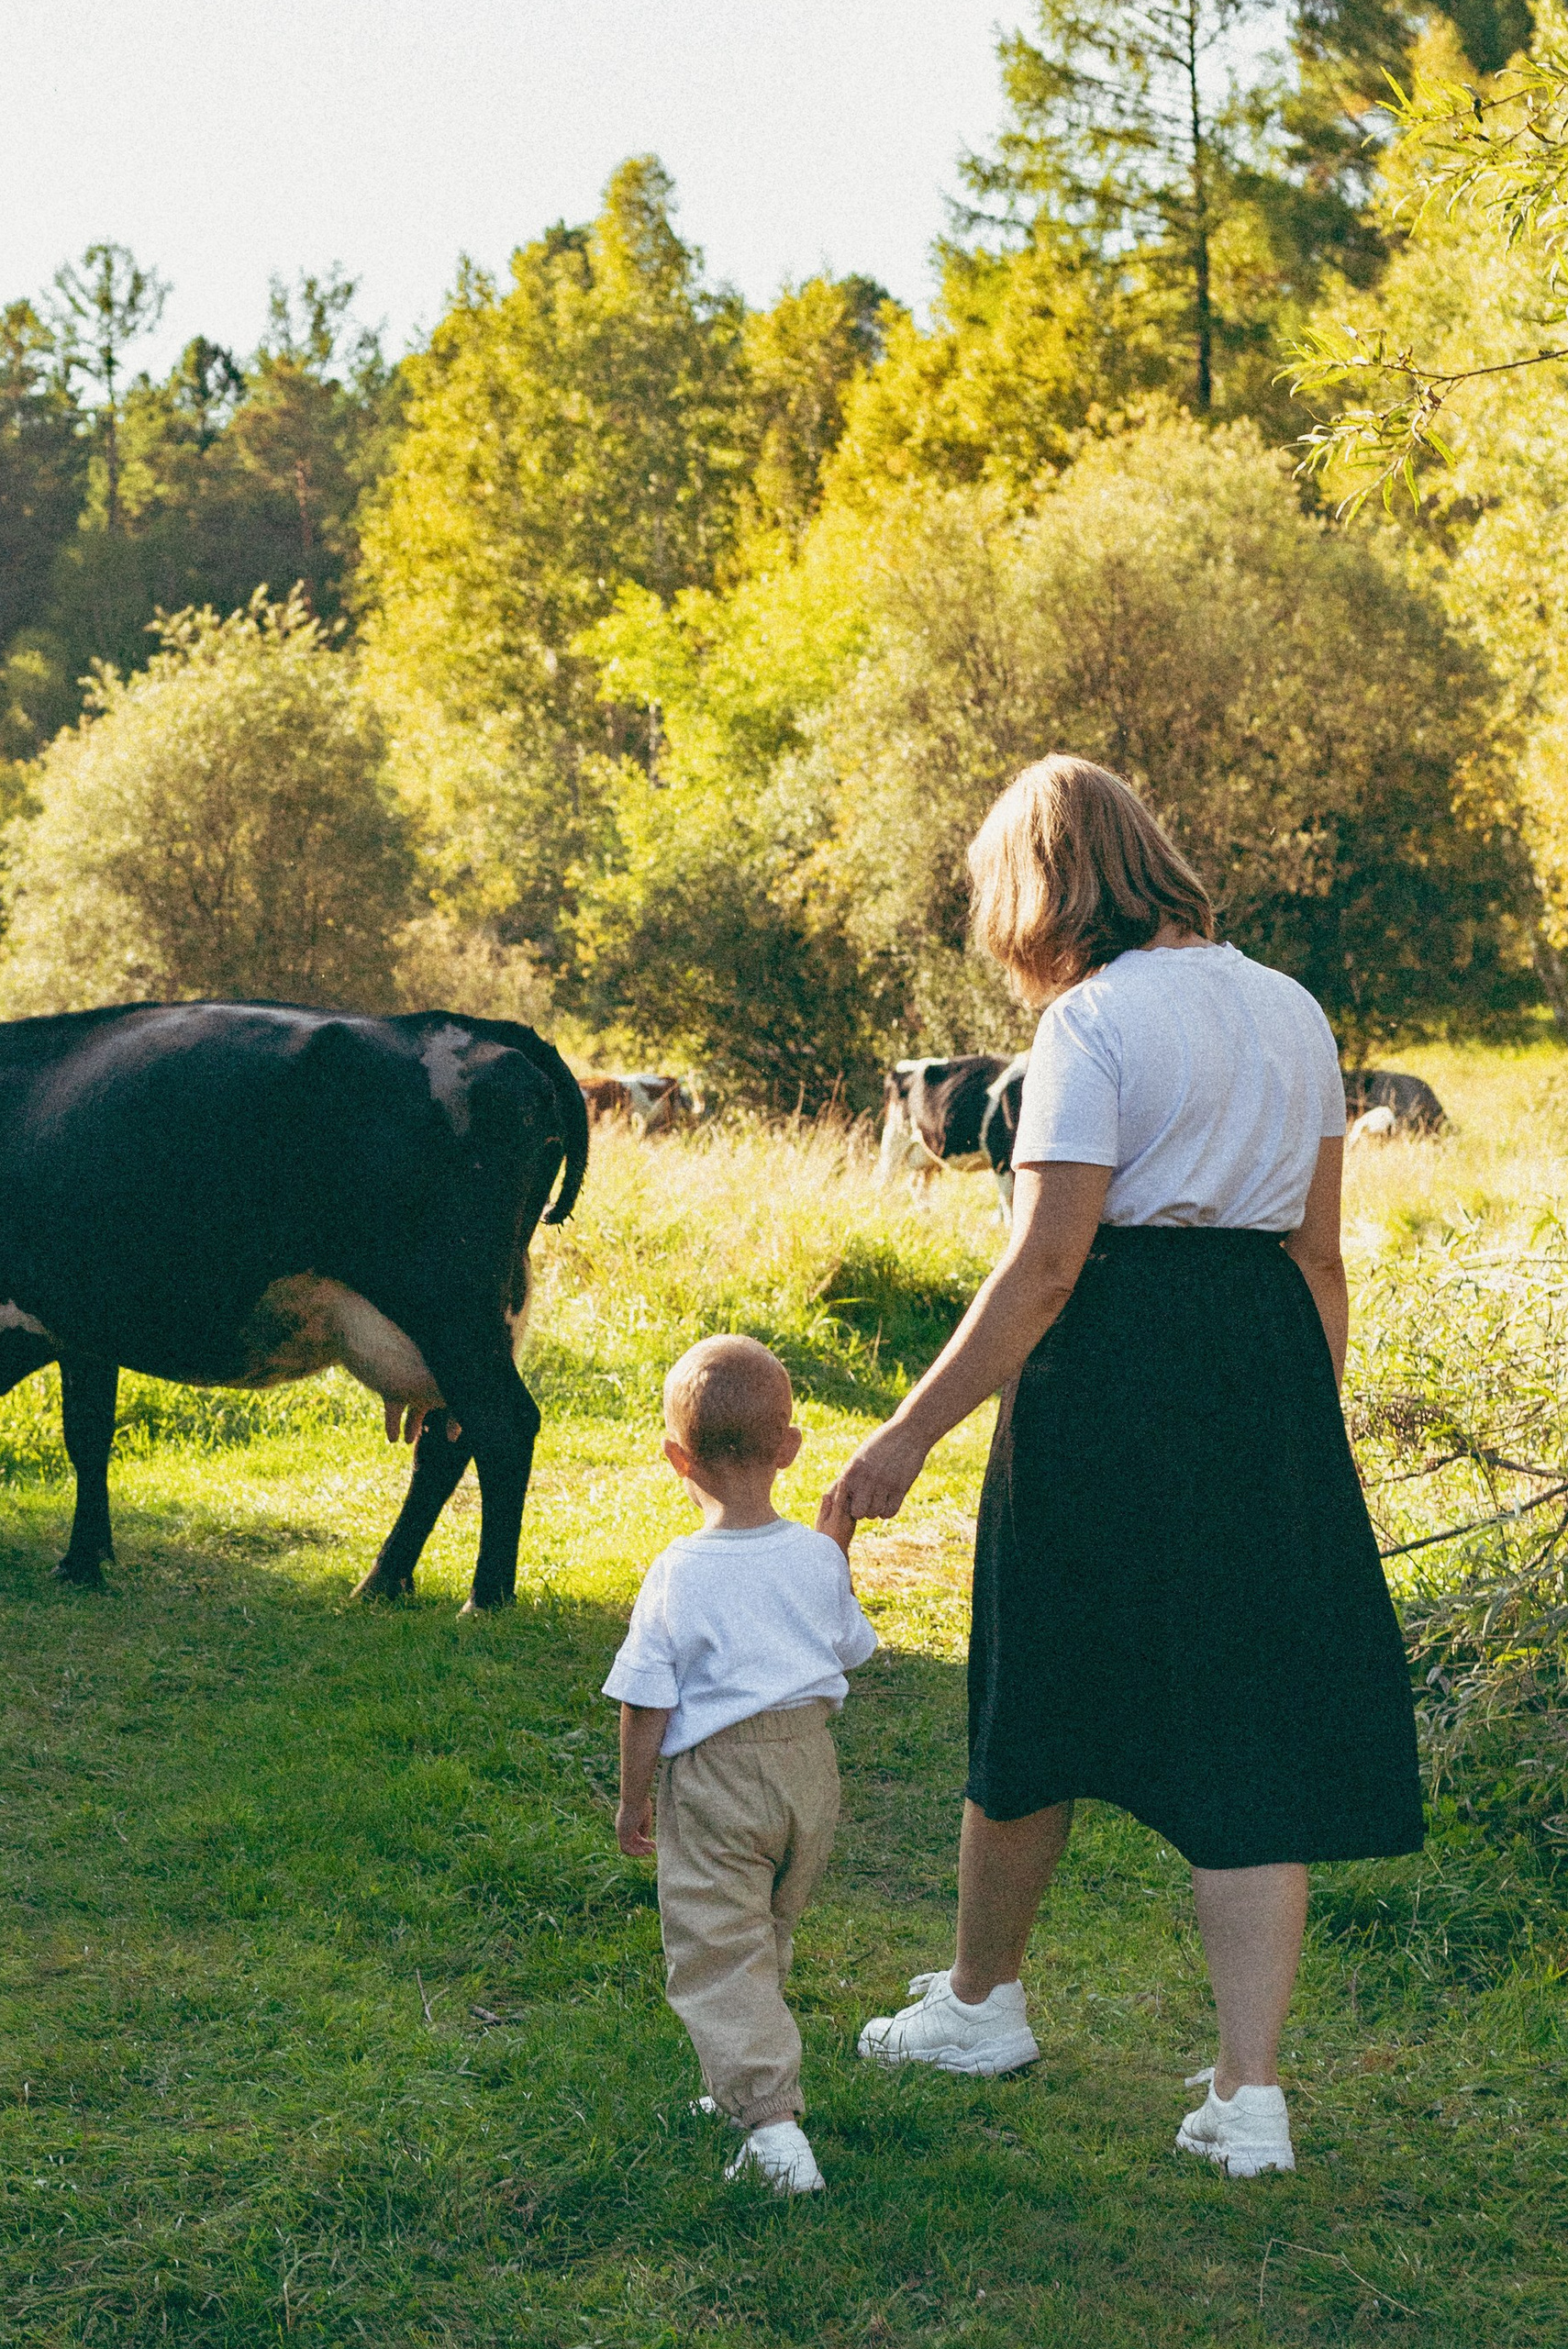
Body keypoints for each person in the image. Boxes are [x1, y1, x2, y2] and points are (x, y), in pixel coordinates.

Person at [829, 754, 1422, 2179]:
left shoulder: (1088, 1030)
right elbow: (1322, 1258)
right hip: (1264, 1365)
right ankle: (1249, 2095)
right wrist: (1298, 1429)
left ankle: (982, 2007)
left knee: (1037, 1680)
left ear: (1044, 889)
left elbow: (1045, 1269)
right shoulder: (1294, 1008)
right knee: (1244, 1721)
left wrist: (904, 1435)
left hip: (1112, 1371)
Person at [606, 1334, 878, 2196]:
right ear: (790, 1449)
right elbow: (848, 1644)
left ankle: (772, 2130)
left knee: (717, 1948)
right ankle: (741, 2079)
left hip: (721, 1779)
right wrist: (834, 1547)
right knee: (764, 1933)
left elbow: (646, 1699)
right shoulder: (815, 1556)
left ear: (674, 1457)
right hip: (810, 1771)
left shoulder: (679, 1571)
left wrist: (632, 1800)